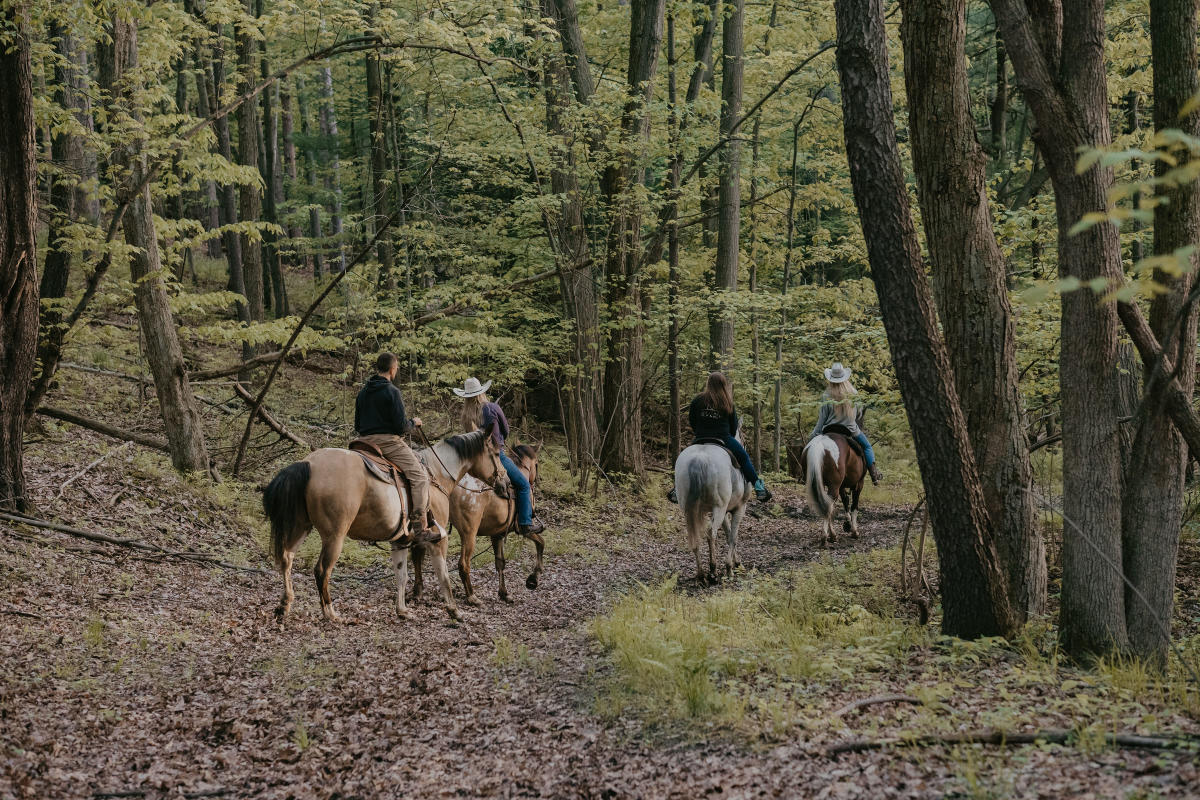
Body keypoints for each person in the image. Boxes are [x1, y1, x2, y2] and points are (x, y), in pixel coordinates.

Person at [354, 352, 438, 544]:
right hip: (387, 443)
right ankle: (421, 527)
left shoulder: (363, 393)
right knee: (419, 475)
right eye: (397, 367)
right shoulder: (392, 392)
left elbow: (357, 425)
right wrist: (414, 422)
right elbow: (401, 427)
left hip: (363, 442)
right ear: (392, 369)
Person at [454, 377, 545, 536]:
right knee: (523, 484)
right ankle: (525, 523)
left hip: (472, 461)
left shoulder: (466, 415)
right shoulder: (491, 408)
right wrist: (499, 440)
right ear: (481, 393)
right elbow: (506, 430)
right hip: (495, 457)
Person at [668, 371, 773, 503]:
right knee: (744, 458)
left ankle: (677, 490)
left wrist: (700, 432)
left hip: (700, 438)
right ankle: (759, 488)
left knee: (685, 459)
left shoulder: (698, 400)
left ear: (708, 383)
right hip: (723, 438)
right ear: (723, 384)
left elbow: (692, 420)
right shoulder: (727, 401)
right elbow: (734, 426)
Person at [808, 362, 882, 484]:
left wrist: (813, 435)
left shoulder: (826, 395)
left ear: (831, 378)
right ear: (845, 377)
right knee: (867, 447)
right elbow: (858, 415)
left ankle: (805, 474)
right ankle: (874, 473)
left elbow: (822, 419)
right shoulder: (853, 393)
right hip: (850, 429)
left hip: (829, 430)